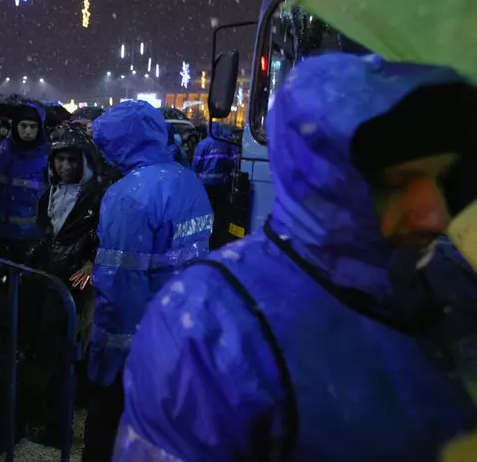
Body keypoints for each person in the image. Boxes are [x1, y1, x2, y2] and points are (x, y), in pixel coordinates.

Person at [114, 54, 477, 461]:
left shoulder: (455, 287)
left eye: (442, 178)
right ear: (326, 183)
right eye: (397, 183)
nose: (435, 213)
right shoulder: (213, 327)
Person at [84, 100, 212, 461]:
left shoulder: (129, 195)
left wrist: (104, 360)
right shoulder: (187, 180)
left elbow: (120, 288)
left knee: (107, 435)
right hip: (178, 332)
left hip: (137, 344)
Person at [22, 123, 106, 446]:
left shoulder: (96, 198)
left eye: (73, 160)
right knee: (54, 353)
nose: (66, 166)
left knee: (65, 356)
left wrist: (90, 264)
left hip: (76, 286)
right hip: (52, 282)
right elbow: (48, 235)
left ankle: (59, 429)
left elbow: (102, 238)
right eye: (60, 160)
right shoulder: (49, 195)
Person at [0, 105, 50, 263]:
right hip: (5, 230)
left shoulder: (48, 153)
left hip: (37, 232)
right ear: (15, 126)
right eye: (23, 126)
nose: (28, 131)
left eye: (33, 126)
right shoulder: (2, 151)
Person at [192, 120, 235, 247]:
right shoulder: (224, 145)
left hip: (205, 184)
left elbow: (196, 164)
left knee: (203, 210)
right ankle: (217, 236)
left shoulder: (202, 145)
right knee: (219, 210)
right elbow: (230, 164)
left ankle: (202, 236)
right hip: (220, 184)